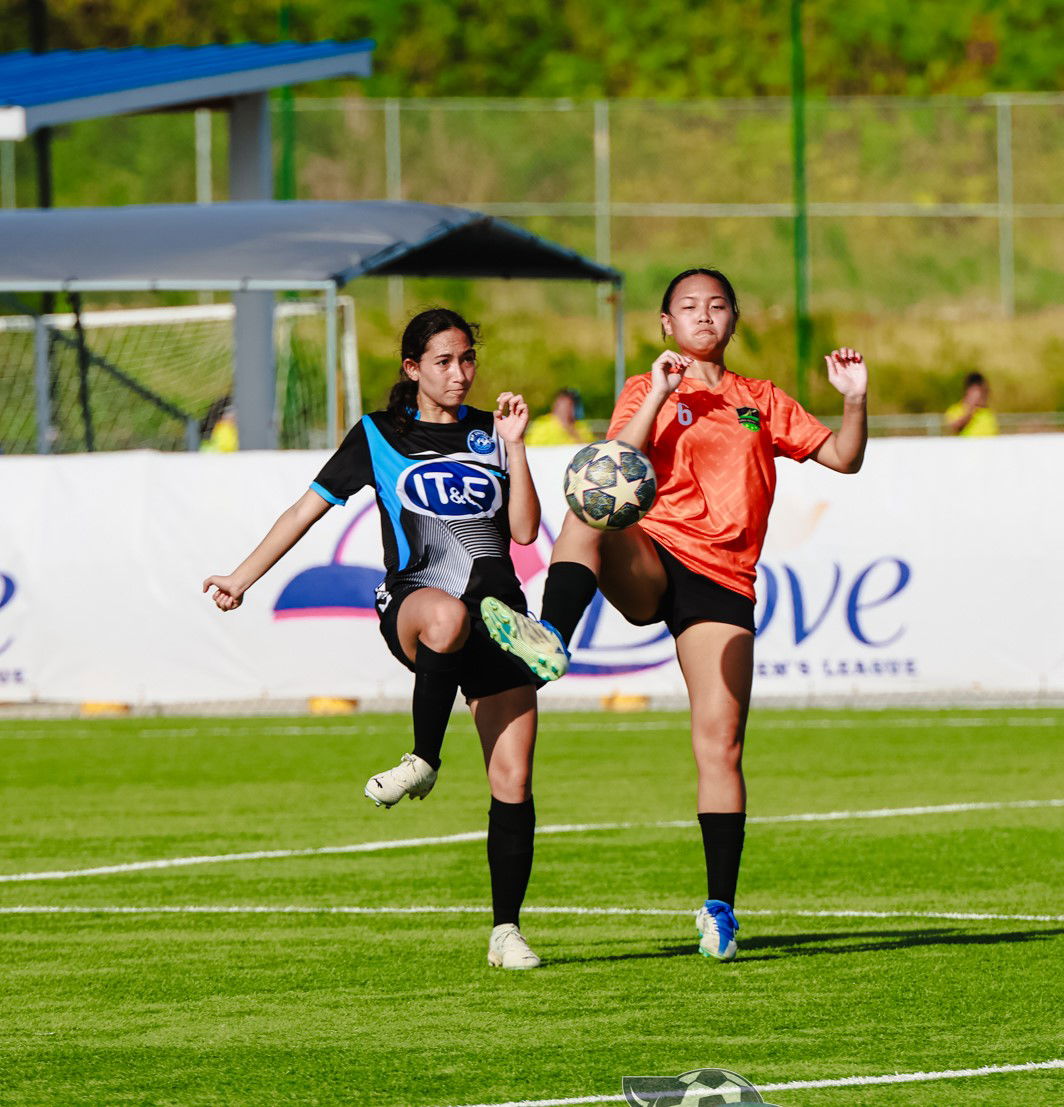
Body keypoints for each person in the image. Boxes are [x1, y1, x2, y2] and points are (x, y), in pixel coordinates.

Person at [481, 268, 868, 962]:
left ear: (734, 321)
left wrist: (856, 401)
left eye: (718, 305)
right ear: (666, 323)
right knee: (589, 501)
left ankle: (720, 909)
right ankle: (552, 635)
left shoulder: (760, 399)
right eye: (688, 306)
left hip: (722, 583)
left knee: (720, 745)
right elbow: (614, 460)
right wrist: (660, 388)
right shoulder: (647, 384)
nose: (703, 315)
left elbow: (843, 456)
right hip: (653, 556)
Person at [203, 308, 544, 969]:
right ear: (412, 369)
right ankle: (423, 757)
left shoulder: (490, 433)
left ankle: (506, 931)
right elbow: (304, 511)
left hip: (501, 619)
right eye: (444, 361)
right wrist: (242, 577)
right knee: (445, 615)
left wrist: (517, 446)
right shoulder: (378, 434)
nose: (460, 372)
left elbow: (526, 534)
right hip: (416, 605)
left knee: (514, 778)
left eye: (468, 358)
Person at [525, 388, 595, 446]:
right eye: (564, 404)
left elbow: (590, 449)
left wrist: (572, 431)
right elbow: (533, 449)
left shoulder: (581, 426)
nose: (567, 408)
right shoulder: (542, 424)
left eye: (570, 405)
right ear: (555, 405)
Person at [944, 372, 999, 436]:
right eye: (982, 391)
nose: (985, 395)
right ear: (970, 391)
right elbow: (955, 428)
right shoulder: (956, 409)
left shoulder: (987, 413)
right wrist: (970, 411)